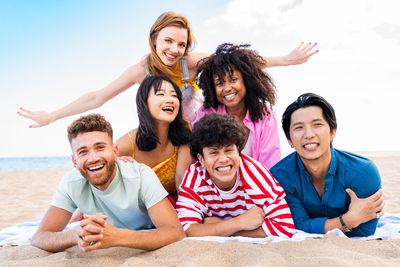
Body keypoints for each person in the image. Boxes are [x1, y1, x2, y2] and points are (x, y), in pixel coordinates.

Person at [18, 12, 318, 126]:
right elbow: (98, 97)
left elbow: (238, 62)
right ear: (154, 39)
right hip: (162, 130)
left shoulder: (190, 62)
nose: (174, 50)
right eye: (168, 41)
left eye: (181, 44)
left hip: (197, 128)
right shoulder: (140, 70)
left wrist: (286, 60)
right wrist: (54, 115)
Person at [31, 114, 185, 252]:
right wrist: (75, 235)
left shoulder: (140, 175)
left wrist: (117, 237)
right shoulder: (71, 183)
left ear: (115, 152)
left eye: (100, 147)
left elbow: (175, 232)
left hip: (145, 228)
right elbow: (39, 237)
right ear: (74, 160)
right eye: (83, 151)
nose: (93, 158)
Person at [270, 93, 384, 237]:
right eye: (298, 128)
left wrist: (317, 226)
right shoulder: (279, 177)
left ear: (332, 132)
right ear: (289, 140)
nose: (309, 134)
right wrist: (349, 220)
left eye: (317, 124)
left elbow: (363, 233)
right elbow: (294, 228)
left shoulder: (363, 172)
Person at [176, 114, 294, 238]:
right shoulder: (195, 177)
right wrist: (238, 223)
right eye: (213, 152)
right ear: (201, 159)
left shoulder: (254, 174)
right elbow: (185, 229)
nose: (223, 159)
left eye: (229, 150)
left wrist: (222, 228)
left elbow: (285, 227)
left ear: (238, 151)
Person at [195, 43, 280, 169]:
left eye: (233, 80)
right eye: (220, 83)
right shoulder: (206, 113)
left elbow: (270, 165)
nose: (227, 88)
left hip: (257, 185)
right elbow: (200, 161)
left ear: (246, 80)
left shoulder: (265, 116)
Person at [115, 75, 192, 201]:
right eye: (161, 94)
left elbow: (181, 181)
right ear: (144, 102)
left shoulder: (184, 130)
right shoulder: (127, 143)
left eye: (174, 95)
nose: (170, 100)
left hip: (172, 204)